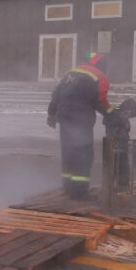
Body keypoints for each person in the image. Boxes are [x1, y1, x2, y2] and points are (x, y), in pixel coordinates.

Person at [46, 53, 112, 199]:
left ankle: (68, 187)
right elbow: (101, 102)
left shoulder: (73, 72)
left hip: (64, 117)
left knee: (68, 151)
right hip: (81, 120)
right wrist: (113, 114)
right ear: (103, 66)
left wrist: (51, 113)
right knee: (83, 154)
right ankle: (79, 192)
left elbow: (56, 94)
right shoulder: (100, 77)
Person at [103, 97, 136, 190]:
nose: (129, 114)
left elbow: (127, 112)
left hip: (122, 145)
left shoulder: (121, 112)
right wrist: (117, 140)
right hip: (115, 145)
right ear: (125, 108)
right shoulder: (114, 114)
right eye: (129, 111)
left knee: (122, 166)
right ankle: (113, 187)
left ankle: (122, 186)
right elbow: (110, 115)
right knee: (117, 166)